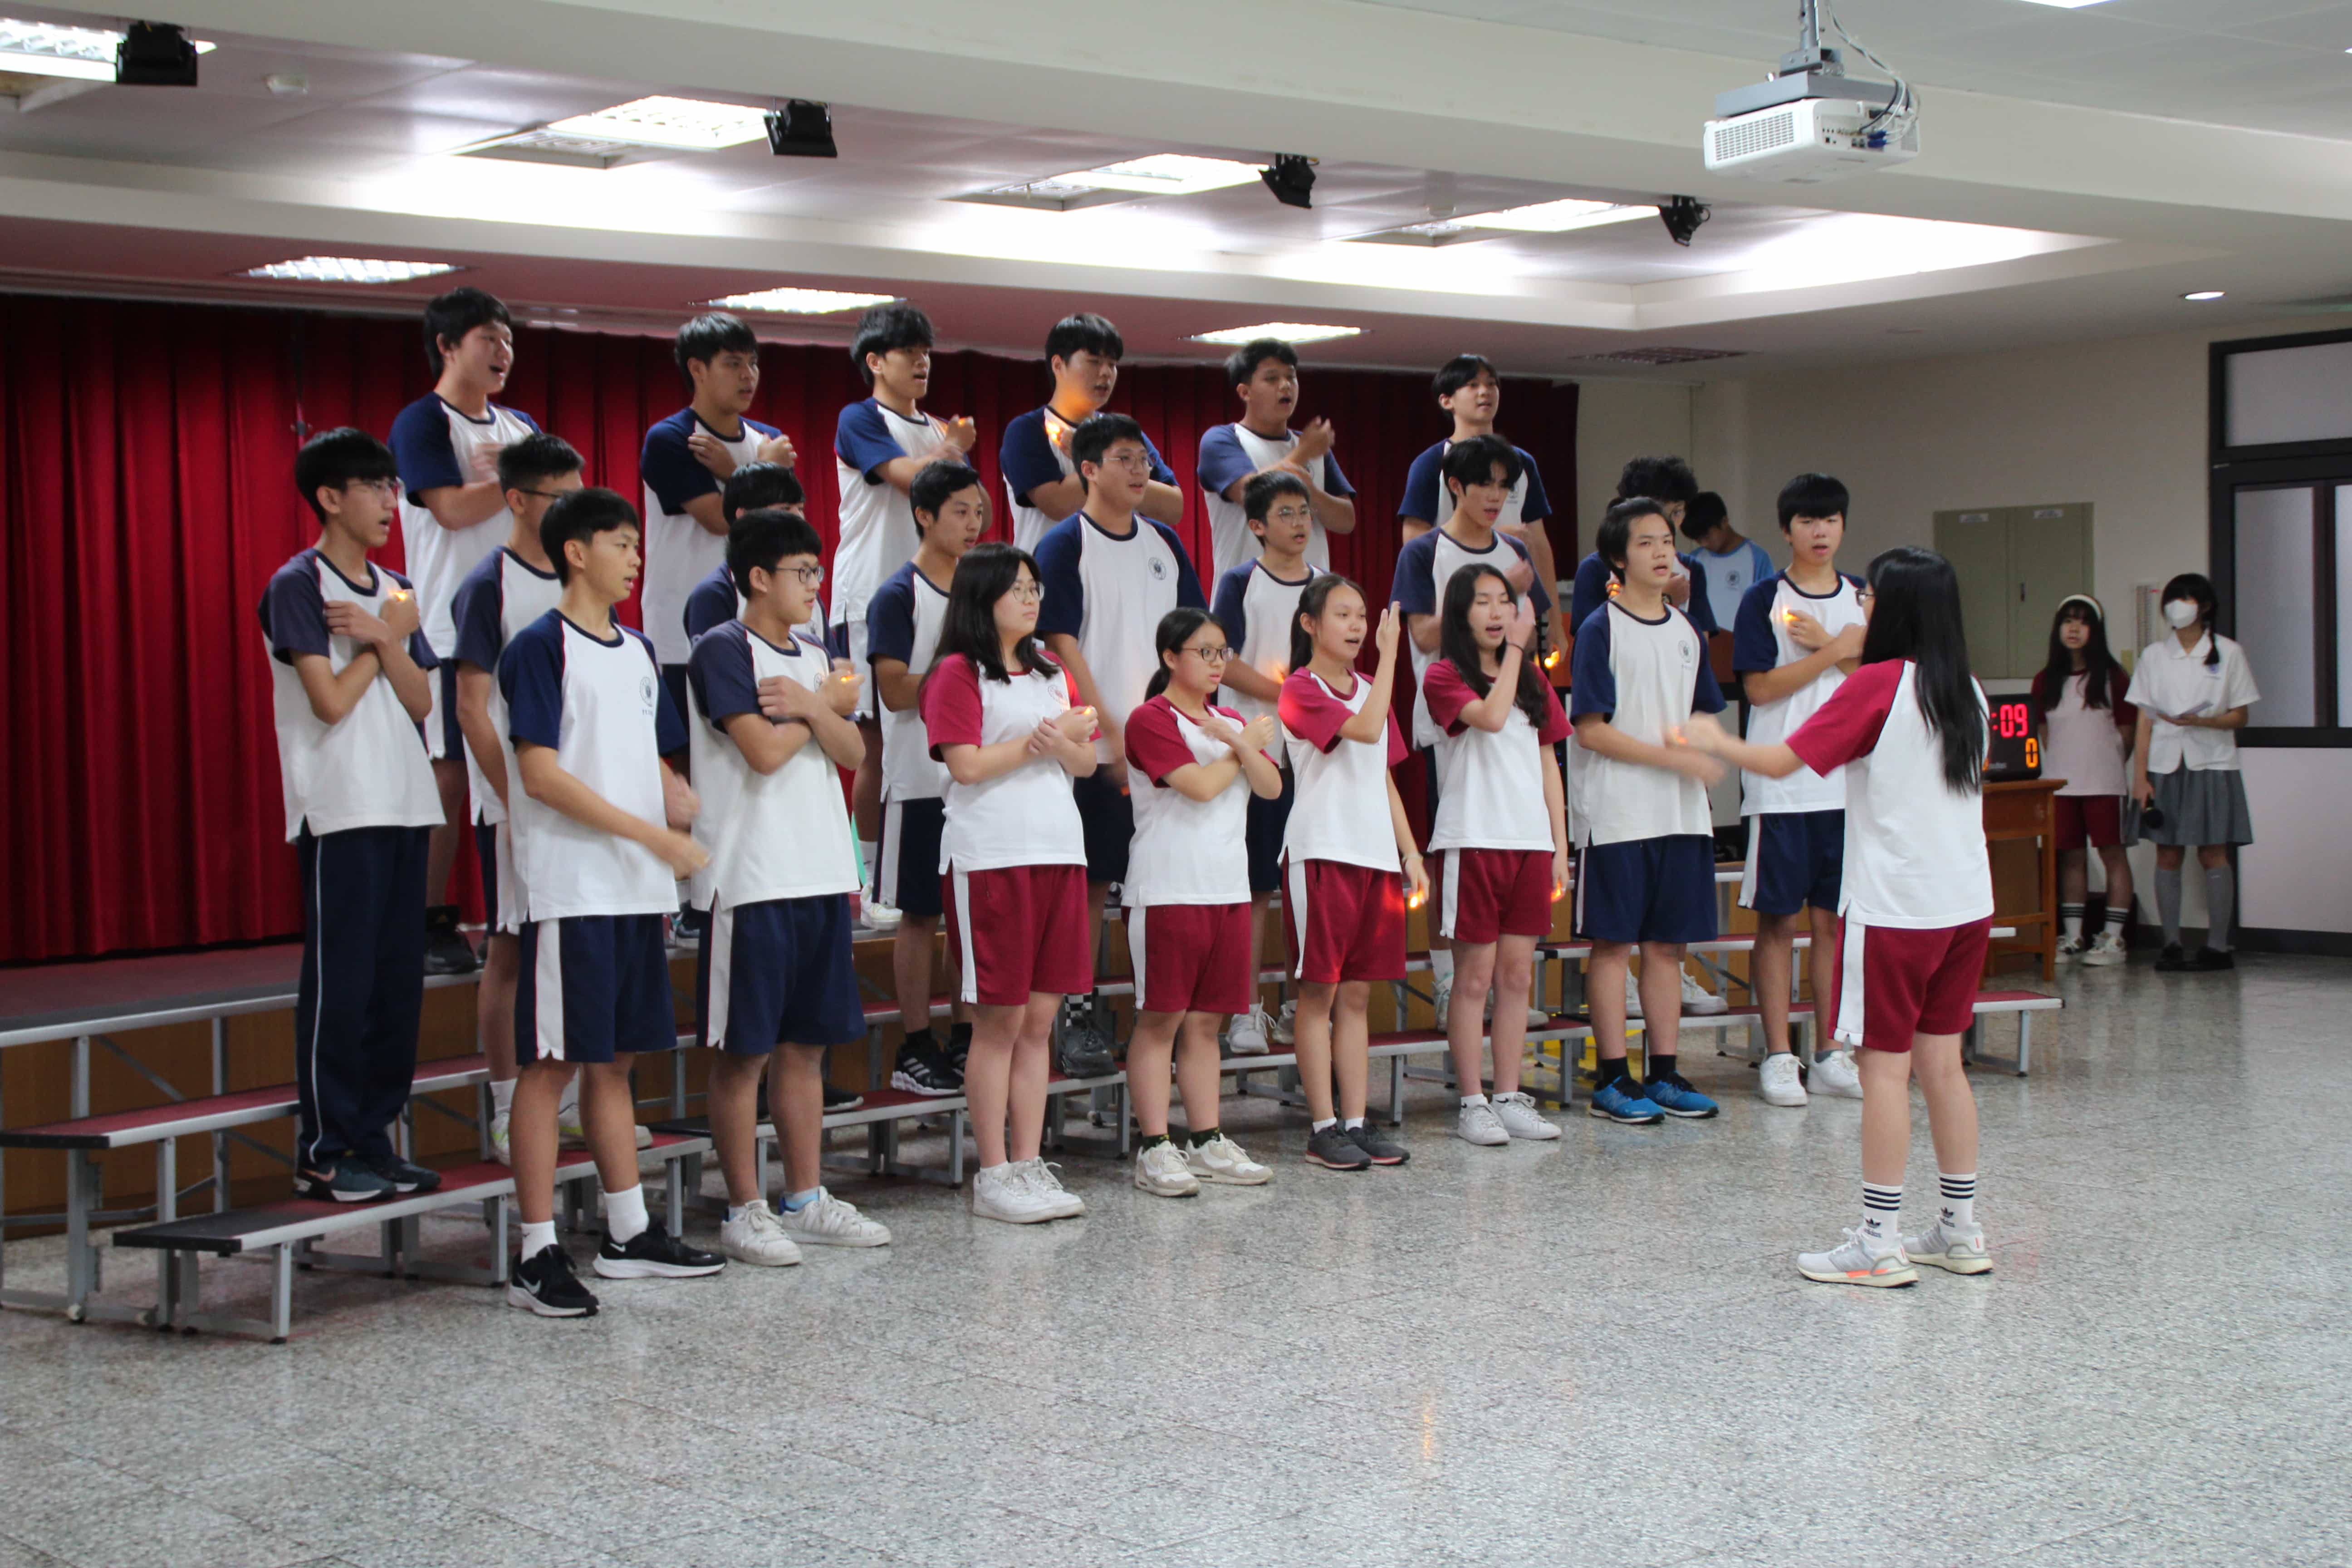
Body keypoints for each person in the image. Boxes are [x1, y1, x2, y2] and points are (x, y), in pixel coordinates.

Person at [1677, 546, 1997, 1288]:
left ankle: (1878, 1242)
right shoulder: (1968, 690)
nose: (1861, 605)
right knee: (1942, 1065)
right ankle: (1959, 1231)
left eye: (1871, 597)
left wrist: (1715, 740)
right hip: (1965, 904)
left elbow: (1783, 761)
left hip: (1895, 908)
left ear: (1896, 609)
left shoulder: (1878, 686)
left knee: (1883, 1069)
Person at [499, 487, 722, 1316]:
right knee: (551, 1065)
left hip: (635, 888)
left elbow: (646, 751)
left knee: (618, 1061)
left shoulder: (638, 650)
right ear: (575, 552)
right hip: (575, 887)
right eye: (620, 543)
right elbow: (542, 775)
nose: (635, 557)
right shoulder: (538, 647)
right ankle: (535, 1250)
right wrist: (653, 835)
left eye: (636, 543)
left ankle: (628, 1233)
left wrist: (672, 795)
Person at [686, 507, 892, 1264]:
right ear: (757, 577)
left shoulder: (814, 656)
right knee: (744, 1052)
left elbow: (849, 751)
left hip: (820, 871)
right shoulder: (721, 648)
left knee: (806, 1046)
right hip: (751, 876)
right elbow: (763, 753)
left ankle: (805, 1197)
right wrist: (818, 710)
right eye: (801, 572)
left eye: (817, 572)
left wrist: (809, 704)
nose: (813, 585)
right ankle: (744, 1208)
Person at [259, 428, 444, 1203]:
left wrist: (386, 638)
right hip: (340, 806)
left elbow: (422, 700)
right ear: (331, 497)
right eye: (373, 487)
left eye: (392, 487)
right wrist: (378, 643)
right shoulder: (297, 584)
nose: (389, 502)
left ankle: (374, 1137)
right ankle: (325, 1149)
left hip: (404, 801)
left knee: (397, 984)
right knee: (342, 983)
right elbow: (330, 702)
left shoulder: (395, 588)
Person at [920, 543, 1099, 1223]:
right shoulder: (957, 672)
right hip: (992, 856)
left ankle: (1028, 1162)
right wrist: (1037, 743)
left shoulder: (1051, 669)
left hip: (1060, 852)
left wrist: (1064, 745)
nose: (1031, 599)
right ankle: (992, 1173)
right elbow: (964, 766)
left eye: (1035, 588)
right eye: (1017, 588)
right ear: (982, 595)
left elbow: (1085, 764)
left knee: (1040, 1021)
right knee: (999, 1020)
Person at [1034, 413, 1208, 1077]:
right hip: (1099, 750)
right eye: (1126, 460)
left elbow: (1191, 638)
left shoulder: (1165, 543)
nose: (1141, 472)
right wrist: (1109, 729)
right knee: (1090, 886)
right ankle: (1078, 1019)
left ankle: (1163, 1019)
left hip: (1164, 748)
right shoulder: (1063, 545)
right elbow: (1060, 644)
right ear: (1088, 469)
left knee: (1166, 885)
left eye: (1145, 461)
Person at [389, 286, 537, 977]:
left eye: (508, 339)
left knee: (526, 764)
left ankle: (520, 902)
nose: (503, 351)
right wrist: (518, 481)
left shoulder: (520, 426)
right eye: (488, 338)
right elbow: (449, 509)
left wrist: (519, 480)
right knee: (450, 776)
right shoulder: (422, 422)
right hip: (451, 630)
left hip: (525, 625)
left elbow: (555, 499)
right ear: (448, 347)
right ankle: (428, 920)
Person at [1569, 498, 1728, 1127]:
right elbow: (1590, 729)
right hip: (1618, 815)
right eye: (1646, 543)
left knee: (1667, 948)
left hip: (1682, 815)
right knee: (1614, 946)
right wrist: (1672, 758)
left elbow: (1701, 715)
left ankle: (1664, 1073)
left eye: (1668, 541)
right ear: (1617, 557)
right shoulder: (1600, 628)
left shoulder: (1688, 631)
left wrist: (1705, 752)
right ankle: (1613, 1079)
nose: (1663, 553)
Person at [1121, 609, 1284, 1196]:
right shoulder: (1150, 719)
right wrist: (1241, 749)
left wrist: (1238, 739)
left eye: (1223, 653)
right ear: (1171, 657)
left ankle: (1207, 1138)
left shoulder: (1231, 720)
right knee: (1161, 1019)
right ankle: (1154, 1147)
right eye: (1205, 652)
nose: (1218, 664)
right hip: (1168, 888)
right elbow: (1199, 787)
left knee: (1207, 1022)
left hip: (1227, 889)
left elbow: (1271, 787)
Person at [450, 432, 581, 1161]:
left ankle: (567, 1102)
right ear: (518, 500)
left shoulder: (580, 575)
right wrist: (516, 796)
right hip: (513, 804)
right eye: (560, 499)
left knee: (570, 947)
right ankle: (506, 1107)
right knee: (510, 948)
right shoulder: (486, 586)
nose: (573, 513)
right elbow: (472, 708)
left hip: (577, 799)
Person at [1395, 434, 1555, 1029]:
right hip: (1452, 722)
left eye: (1505, 486)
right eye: (1484, 483)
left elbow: (1530, 634)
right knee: (1455, 849)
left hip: (1515, 715)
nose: (1495, 496)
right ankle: (1449, 977)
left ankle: (1505, 984)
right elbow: (1421, 634)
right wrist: (1500, 591)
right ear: (1455, 486)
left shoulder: (1515, 548)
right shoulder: (1425, 551)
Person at [833, 303, 980, 922]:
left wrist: (949, 448)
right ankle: (868, 880)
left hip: (939, 595)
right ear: (875, 361)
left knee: (933, 734)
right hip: (870, 594)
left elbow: (964, 501)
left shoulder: (940, 427)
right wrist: (951, 449)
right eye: (908, 353)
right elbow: (907, 477)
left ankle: (931, 864)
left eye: (926, 353)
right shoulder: (861, 418)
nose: (922, 363)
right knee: (876, 743)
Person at [1279, 575, 1428, 1171]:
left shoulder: (1371, 687)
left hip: (1375, 859)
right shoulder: (1300, 688)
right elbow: (1362, 730)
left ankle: (1358, 1122)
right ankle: (1322, 1127)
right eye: (1343, 614)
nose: (1358, 626)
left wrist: (1410, 854)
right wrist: (1392, 657)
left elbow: (1382, 777)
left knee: (1360, 995)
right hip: (1322, 853)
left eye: (1362, 615)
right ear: (1310, 624)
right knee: (1319, 993)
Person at [1730, 472, 1868, 1107]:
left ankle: (1832, 1050)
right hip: (1782, 788)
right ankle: (1780, 1055)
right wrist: (1832, 652)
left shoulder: (1863, 597)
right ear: (1786, 530)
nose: (1820, 532)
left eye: (1830, 520)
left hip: (1849, 787)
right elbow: (1760, 689)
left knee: (1833, 924)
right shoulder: (1764, 598)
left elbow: (1878, 678)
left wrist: (1834, 649)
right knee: (1778, 924)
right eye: (1808, 521)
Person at [1422, 566, 1572, 1145]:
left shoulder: (1531, 679)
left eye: (1503, 601)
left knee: (1516, 976)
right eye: (1482, 602)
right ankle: (1472, 1102)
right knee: (1474, 978)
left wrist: (1558, 845)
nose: (1495, 611)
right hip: (1472, 839)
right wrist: (1515, 651)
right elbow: (1488, 718)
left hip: (1529, 843)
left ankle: (1509, 1095)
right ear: (1461, 613)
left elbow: (1548, 764)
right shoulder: (1445, 675)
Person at [868, 461, 988, 1095]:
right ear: (923, 515)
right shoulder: (899, 594)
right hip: (917, 779)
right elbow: (892, 690)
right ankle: (915, 1043)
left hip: (973, 781)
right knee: (919, 916)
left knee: (965, 914)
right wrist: (957, 678)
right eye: (960, 512)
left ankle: (965, 1035)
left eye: (980, 512)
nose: (973, 524)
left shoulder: (982, 591)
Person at [638, 312, 794, 721]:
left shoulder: (767, 440)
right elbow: (721, 521)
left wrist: (735, 471)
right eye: (733, 363)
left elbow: (785, 524)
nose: (748, 375)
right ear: (698, 369)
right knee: (690, 748)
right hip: (682, 624)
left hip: (759, 621)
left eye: (753, 363)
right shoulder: (673, 438)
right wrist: (757, 469)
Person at [1209, 472, 1318, 1056]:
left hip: (1315, 758)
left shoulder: (1324, 586)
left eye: (1304, 512)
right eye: (1285, 514)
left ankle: (1305, 1004)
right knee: (1254, 886)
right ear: (1256, 525)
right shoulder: (1240, 582)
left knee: (1309, 886)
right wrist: (1289, 695)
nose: (1299, 524)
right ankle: (1245, 1009)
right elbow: (1221, 661)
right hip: (1259, 755)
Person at [2127, 572, 2259, 973]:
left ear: (2205, 607)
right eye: (2173, 599)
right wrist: (2140, 776)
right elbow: (2145, 720)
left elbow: (2241, 715)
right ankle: (2170, 943)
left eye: (2186, 599)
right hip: (2165, 764)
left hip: (2213, 763)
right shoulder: (2154, 656)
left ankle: (2218, 946)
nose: (2177, 607)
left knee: (2213, 851)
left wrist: (2203, 721)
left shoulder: (2229, 652)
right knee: (2167, 851)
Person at [1397, 353, 1564, 652]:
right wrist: (1486, 540)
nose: (1485, 392)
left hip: (1511, 590)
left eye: (1491, 384)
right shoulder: (1430, 464)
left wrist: (1554, 620)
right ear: (1447, 400)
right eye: (1473, 385)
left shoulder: (1522, 463)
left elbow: (1539, 542)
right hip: (1452, 591)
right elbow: (1414, 539)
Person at [1000, 313, 1183, 554]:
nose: (1106, 373)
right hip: (1047, 571)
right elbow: (1057, 504)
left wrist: (1101, 462)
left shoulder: (1123, 433)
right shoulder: (1027, 430)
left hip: (1117, 568)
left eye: (1112, 364)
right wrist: (1117, 469)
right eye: (1094, 362)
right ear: (1058, 365)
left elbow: (1173, 507)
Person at [1195, 337, 1356, 579]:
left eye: (1291, 377)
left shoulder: (1311, 446)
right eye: (1272, 379)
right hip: (1248, 591)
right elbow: (1251, 494)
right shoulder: (1222, 439)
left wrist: (1312, 492)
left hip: (1312, 592)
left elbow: (1346, 521)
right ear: (1245, 392)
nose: (1285, 386)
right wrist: (1303, 454)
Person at [2032, 594, 2135, 967]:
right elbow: (2045, 732)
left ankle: (2114, 937)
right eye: (2067, 621)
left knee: (2112, 855)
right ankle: (2073, 935)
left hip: (2104, 782)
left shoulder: (2113, 678)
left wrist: (2105, 764)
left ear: (2096, 630)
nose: (2074, 629)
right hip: (2062, 784)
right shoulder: (2046, 680)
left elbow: (2128, 733)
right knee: (2070, 857)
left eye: (2083, 621)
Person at [681, 462, 818, 643]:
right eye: (784, 510)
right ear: (744, 516)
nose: (798, 519)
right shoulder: (713, 595)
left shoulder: (807, 586)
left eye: (800, 509)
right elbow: (716, 659)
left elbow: (829, 657)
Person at [1684, 490, 1774, 633]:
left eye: (1707, 536)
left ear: (1724, 522)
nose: (1704, 544)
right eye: (1698, 540)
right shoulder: (1694, 560)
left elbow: (1767, 609)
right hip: (1703, 642)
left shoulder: (1757, 558)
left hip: (1743, 643)